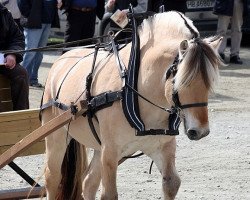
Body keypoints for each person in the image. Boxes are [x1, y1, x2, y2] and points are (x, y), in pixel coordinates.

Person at [18, 0, 60, 87]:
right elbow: (22, 3)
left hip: (47, 22)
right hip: (34, 22)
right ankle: (22, 80)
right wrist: (31, 15)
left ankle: (33, 79)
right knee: (30, 53)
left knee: (39, 54)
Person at [0, 3, 29, 110]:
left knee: (21, 73)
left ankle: (21, 116)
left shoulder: (4, 13)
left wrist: (12, 54)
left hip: (2, 60)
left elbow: (17, 38)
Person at [213, 0, 248, 64]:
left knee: (237, 29)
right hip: (224, 3)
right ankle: (220, 53)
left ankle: (234, 55)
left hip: (238, 2)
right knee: (222, 30)